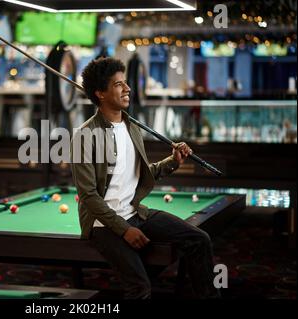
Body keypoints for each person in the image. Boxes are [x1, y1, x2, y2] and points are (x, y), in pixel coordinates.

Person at [70, 57, 220, 299]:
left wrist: (172, 161)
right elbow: (88, 196)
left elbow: (138, 173)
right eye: (118, 84)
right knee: (141, 288)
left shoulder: (132, 127)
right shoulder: (84, 136)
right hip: (104, 225)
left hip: (136, 212)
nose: (127, 88)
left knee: (199, 240)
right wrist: (124, 230)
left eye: (125, 82)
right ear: (100, 93)